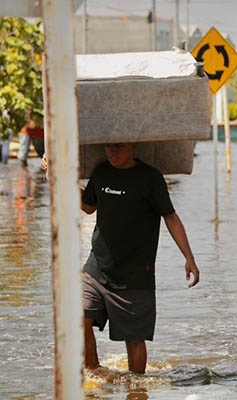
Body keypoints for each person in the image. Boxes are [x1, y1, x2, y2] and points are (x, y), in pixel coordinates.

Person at [43, 143, 200, 374]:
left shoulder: (150, 178)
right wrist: (58, 177)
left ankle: (137, 388)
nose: (113, 152)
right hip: (96, 269)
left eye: (119, 147)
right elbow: (87, 206)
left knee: (134, 339)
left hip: (134, 275)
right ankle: (94, 371)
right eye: (109, 147)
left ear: (134, 145)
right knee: (76, 316)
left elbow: (171, 217)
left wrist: (189, 257)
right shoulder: (102, 171)